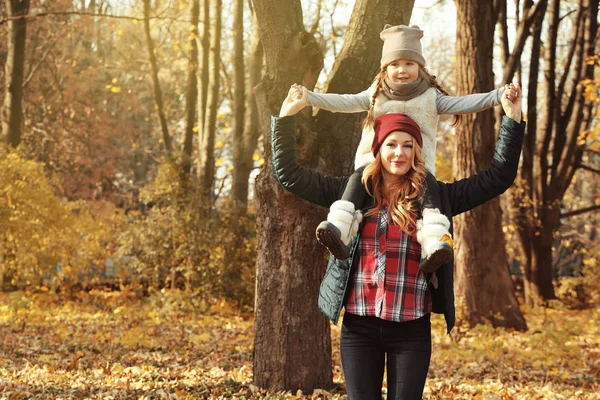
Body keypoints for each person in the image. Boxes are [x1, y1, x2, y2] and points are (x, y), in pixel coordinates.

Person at [272, 83, 523, 399]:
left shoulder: (436, 197)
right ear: (378, 148)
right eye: (391, 144)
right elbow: (289, 175)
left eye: (408, 145)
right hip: (359, 327)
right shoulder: (351, 194)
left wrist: (512, 119)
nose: (399, 152)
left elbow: (497, 177)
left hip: (411, 329)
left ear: (418, 151)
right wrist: (286, 117)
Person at [291, 25, 512, 276]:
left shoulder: (431, 96)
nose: (402, 70)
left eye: (409, 63)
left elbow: (463, 103)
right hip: (373, 161)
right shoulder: (375, 93)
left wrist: (497, 96)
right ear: (385, 68)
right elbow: (344, 101)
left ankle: (434, 244)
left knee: (429, 197)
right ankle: (339, 229)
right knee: (356, 183)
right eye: (395, 64)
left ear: (420, 68)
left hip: (418, 163)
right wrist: (310, 98)